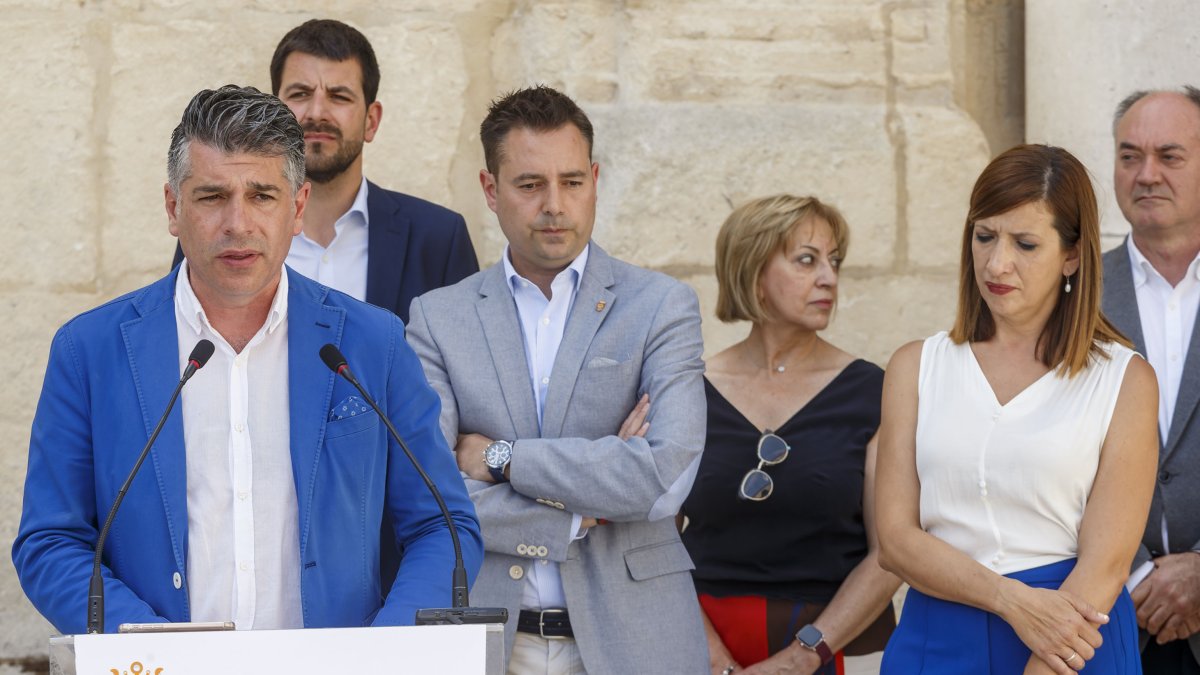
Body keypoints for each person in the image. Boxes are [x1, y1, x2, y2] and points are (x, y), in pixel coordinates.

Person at [12, 85, 482, 635]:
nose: (238, 223)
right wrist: (155, 650)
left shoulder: (371, 343)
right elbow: (50, 541)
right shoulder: (88, 350)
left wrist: (380, 652)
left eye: (262, 196)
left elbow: (444, 528)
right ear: (173, 208)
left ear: (298, 208)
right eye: (212, 196)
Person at [405, 85, 709, 674]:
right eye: (529, 184)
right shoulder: (438, 318)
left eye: (572, 181)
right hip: (489, 641)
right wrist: (578, 512)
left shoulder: (661, 306)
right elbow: (430, 492)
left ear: (595, 178)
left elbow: (664, 480)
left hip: (637, 640)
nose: (554, 204)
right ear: (491, 190)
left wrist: (499, 457)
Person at [876, 144, 1159, 673]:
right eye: (984, 237)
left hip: (1074, 638)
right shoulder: (916, 367)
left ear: (1072, 254)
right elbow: (894, 540)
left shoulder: (1125, 379)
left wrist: (1041, 658)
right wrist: (1011, 601)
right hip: (938, 635)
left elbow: (1108, 562)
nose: (997, 262)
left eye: (1025, 244)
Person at [680, 194, 901, 675]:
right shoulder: (689, 391)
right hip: (702, 643)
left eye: (833, 261)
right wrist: (712, 658)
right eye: (806, 260)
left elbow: (890, 552)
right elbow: (654, 539)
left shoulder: (873, 391)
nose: (829, 278)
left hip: (835, 645)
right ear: (754, 270)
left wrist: (801, 659)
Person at [172, 19, 478, 324]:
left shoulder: (438, 238)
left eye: (339, 96)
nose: (317, 113)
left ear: (371, 120)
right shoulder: (216, 233)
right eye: (300, 94)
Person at [1104, 85, 1200, 674]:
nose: (1146, 174)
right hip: (1110, 620)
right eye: (1128, 155)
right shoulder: (1070, 294)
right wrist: (1135, 571)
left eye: (1170, 156)